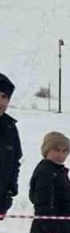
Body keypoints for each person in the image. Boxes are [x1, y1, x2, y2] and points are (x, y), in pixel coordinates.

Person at [0, 73, 20, 220]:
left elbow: (14, 163)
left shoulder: (9, 128)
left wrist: (8, 193)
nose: (1, 102)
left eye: (4, 97)